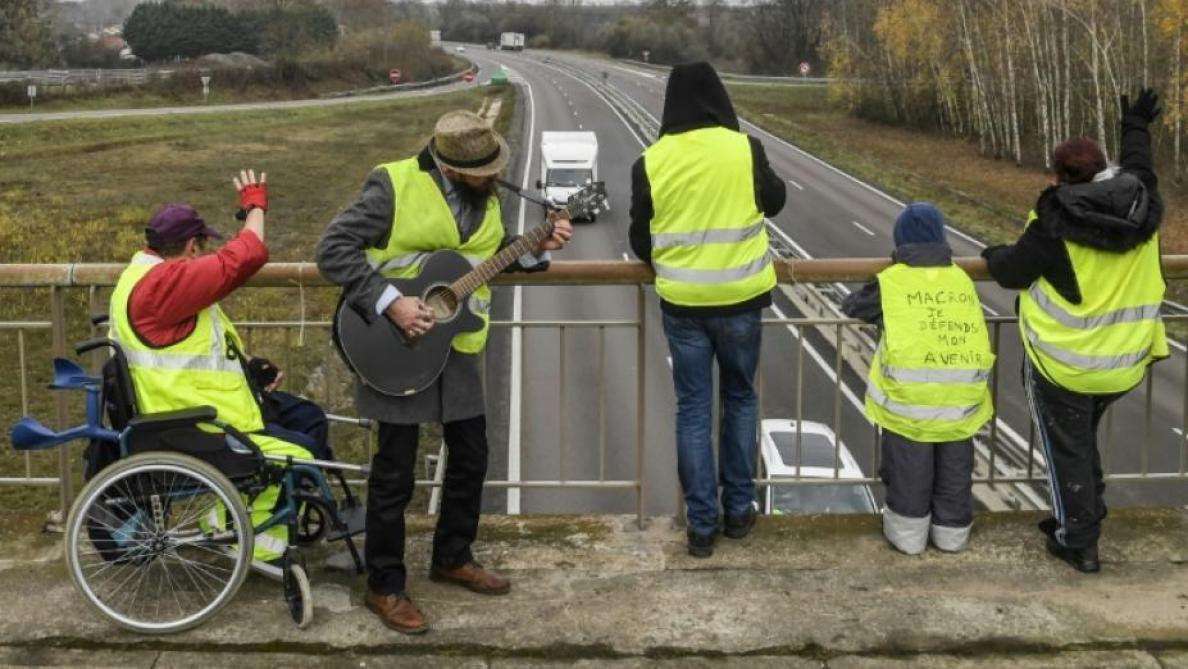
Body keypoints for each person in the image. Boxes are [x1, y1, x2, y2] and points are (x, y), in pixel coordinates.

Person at [316, 110, 573, 634]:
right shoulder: (393, 185)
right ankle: (385, 586)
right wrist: (392, 303)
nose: (495, 177)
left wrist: (533, 249)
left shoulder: (488, 196)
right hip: (394, 346)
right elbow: (332, 249)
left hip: (455, 346)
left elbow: (482, 260)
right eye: (485, 171)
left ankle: (453, 556)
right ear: (452, 167)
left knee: (472, 455)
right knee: (395, 472)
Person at [982, 89, 1167, 573]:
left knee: (1067, 450)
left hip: (1064, 366)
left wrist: (991, 253)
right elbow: (1141, 166)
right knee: (1081, 441)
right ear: (1104, 171)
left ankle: (1078, 541)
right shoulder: (1140, 203)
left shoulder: (1054, 222)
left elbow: (1012, 272)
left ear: (1060, 177)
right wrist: (1135, 125)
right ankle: (1085, 513)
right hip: (1127, 360)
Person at [108, 170, 323, 563]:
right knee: (304, 453)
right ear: (192, 246)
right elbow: (248, 254)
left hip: (187, 409)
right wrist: (254, 204)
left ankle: (269, 516)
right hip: (198, 423)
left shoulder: (141, 275)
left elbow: (189, 346)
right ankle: (254, 539)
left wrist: (250, 366)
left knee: (308, 417)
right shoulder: (164, 284)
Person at [628, 62, 786, 558]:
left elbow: (640, 239)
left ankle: (701, 526)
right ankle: (739, 511)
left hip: (684, 304)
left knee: (692, 411)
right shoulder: (744, 147)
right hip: (741, 301)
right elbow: (776, 201)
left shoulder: (651, 161)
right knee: (740, 400)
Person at [842, 203, 994, 555]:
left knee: (910, 472)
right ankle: (952, 535)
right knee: (955, 472)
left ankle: (908, 539)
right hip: (960, 405)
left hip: (909, 405)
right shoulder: (962, 279)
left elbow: (853, 306)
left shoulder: (892, 282)